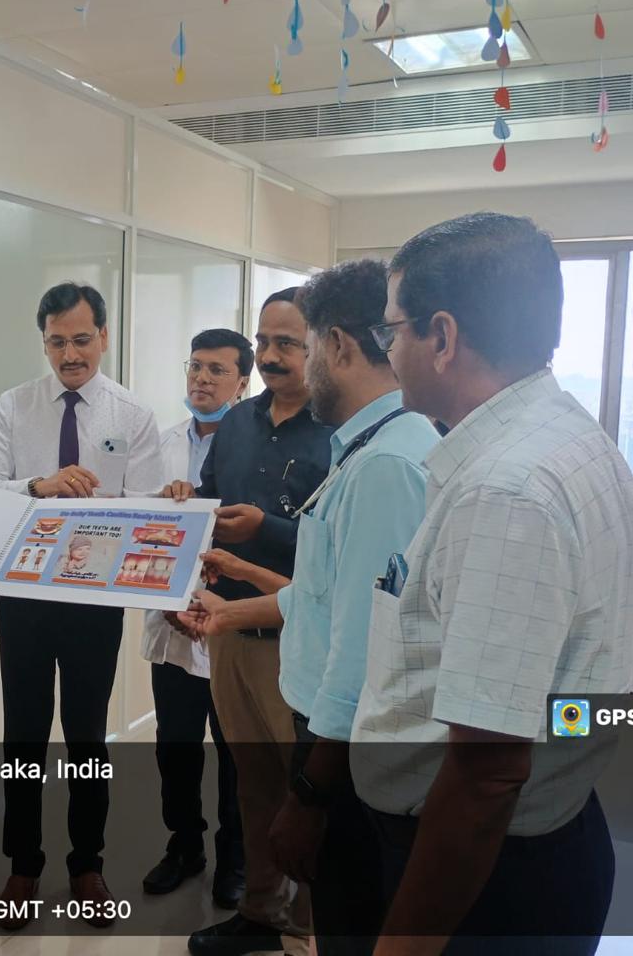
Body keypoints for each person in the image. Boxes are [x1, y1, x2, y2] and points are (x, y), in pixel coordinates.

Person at [349, 213, 633, 956]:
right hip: (539, 836)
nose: (388, 352)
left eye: (393, 331)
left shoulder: (505, 492)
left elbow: (486, 776)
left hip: (486, 876)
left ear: (443, 338)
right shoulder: (564, 432)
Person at [181, 260, 437, 956]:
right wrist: (229, 612)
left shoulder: (385, 465)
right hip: (281, 661)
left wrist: (312, 791)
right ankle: (266, 916)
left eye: (300, 343)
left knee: (341, 892)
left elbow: (361, 648)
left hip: (341, 732)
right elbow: (331, 592)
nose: (272, 358)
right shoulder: (369, 444)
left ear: (336, 346)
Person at [0, 281, 163, 930]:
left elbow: (148, 506)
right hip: (24, 595)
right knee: (23, 733)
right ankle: (23, 865)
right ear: (43, 342)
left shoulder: (131, 415)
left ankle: (87, 865)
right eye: (56, 342)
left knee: (86, 735)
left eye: (81, 339)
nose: (70, 354)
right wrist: (39, 485)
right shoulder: (14, 406)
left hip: (93, 601)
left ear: (103, 335)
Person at [169, 290, 332, 956]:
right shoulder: (236, 422)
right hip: (230, 632)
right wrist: (190, 531)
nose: (269, 356)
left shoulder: (338, 430)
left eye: (286, 344)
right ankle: (261, 911)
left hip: (302, 638)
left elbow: (337, 547)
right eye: (263, 341)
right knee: (253, 780)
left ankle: (312, 929)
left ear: (322, 344)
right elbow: (211, 505)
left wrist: (268, 527)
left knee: (311, 792)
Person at [140, 328, 252, 905]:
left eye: (217, 370)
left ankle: (236, 860)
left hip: (231, 621)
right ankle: (184, 846)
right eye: (195, 367)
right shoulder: (159, 445)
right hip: (171, 621)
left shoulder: (254, 448)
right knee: (175, 747)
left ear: (242, 383)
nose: (202, 379)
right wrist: (169, 601)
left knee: (235, 752)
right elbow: (140, 529)